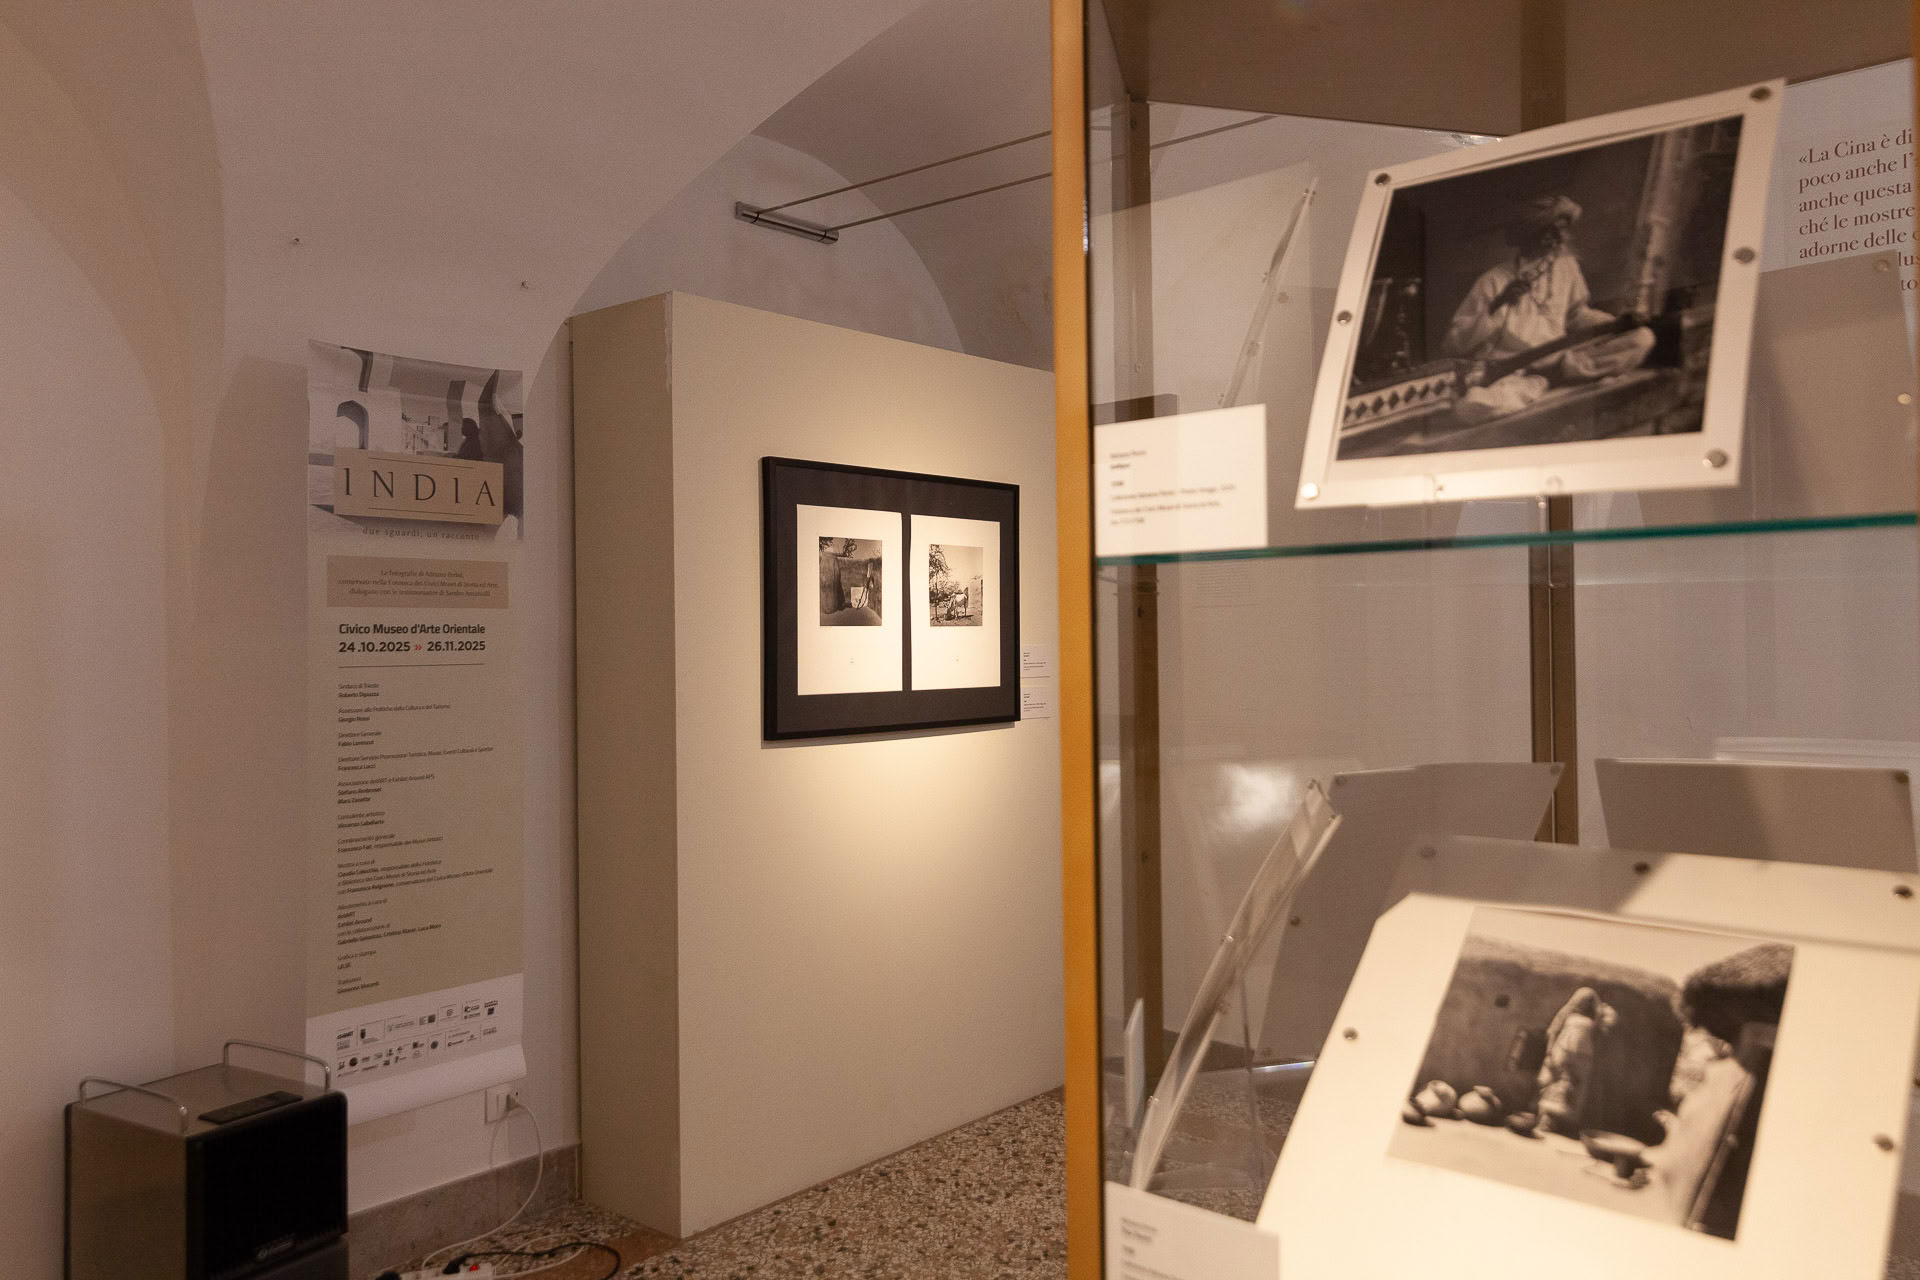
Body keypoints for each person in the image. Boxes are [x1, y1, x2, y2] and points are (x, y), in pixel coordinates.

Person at [1444, 195, 1655, 422]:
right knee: (1470, 407)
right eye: (1552, 231)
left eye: (1563, 230)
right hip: (1516, 371)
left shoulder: (1567, 267)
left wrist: (1616, 324)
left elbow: (1577, 315)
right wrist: (1498, 304)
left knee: (1642, 338)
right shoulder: (1493, 280)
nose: (1561, 238)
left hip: (1562, 361)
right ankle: (1548, 378)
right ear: (1530, 234)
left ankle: (1559, 373)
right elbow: (1455, 344)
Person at [1534, 986, 1617, 1138]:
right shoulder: (1568, 1013)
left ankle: (1563, 1123)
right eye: (1584, 1000)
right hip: (1563, 1051)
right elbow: (1553, 1031)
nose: (1585, 1003)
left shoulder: (1595, 1019)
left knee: (1575, 1088)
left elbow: (1609, 1023)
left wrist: (1601, 1009)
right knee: (1554, 1084)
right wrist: (1550, 1052)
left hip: (1583, 1057)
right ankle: (1545, 1120)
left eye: (1589, 1001)